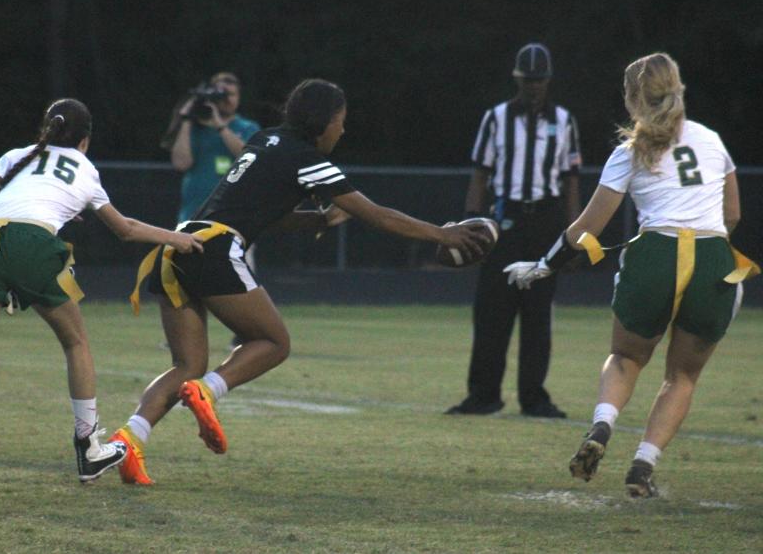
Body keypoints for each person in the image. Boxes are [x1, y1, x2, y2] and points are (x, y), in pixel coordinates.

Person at [112, 79, 491, 485]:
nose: (342, 131)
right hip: (216, 249)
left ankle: (128, 443)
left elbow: (259, 209)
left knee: (184, 364)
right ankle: (207, 391)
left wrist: (318, 219)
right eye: (340, 122)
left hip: (180, 243)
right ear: (324, 121)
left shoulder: (264, 139)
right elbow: (375, 214)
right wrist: (442, 233)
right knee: (274, 342)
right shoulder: (306, 157)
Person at [0, 99, 202, 482]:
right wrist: (178, 239)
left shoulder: (18, 155)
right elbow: (126, 229)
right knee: (76, 343)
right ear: (84, 140)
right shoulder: (84, 169)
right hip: (34, 244)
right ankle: (89, 447)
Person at [505, 53, 757, 497]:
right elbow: (732, 214)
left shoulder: (629, 152)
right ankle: (642, 467)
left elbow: (586, 229)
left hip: (655, 257)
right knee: (681, 376)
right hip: (715, 261)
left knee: (625, 358)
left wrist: (545, 266)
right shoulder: (711, 140)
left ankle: (602, 427)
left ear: (632, 99)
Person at [447, 43, 582, 418]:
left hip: (546, 220)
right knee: (492, 311)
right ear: (517, 79)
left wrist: (574, 234)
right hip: (504, 222)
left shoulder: (565, 121)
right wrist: (471, 222)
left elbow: (571, 180)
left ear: (548, 80)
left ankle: (534, 399)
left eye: (540, 80)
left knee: (538, 314)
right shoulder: (496, 118)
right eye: (528, 80)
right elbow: (481, 172)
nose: (534, 86)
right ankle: (483, 395)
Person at [162, 72, 262, 224]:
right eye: (221, 95)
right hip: (194, 214)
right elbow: (181, 164)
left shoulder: (247, 127)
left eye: (230, 94)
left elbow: (249, 156)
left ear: (238, 97)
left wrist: (220, 125)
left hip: (234, 216)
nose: (226, 99)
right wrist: (186, 119)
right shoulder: (196, 128)